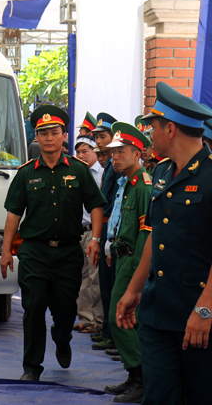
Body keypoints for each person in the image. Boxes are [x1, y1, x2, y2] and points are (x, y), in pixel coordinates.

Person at [117, 82, 212, 405]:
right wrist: (133, 291)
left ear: (170, 129)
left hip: (198, 310)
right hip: (158, 309)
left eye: (152, 127)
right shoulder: (162, 172)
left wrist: (205, 307)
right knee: (158, 397)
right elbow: (156, 234)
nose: (149, 136)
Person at [0, 105, 106, 381]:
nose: (49, 138)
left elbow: (96, 206)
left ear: (63, 136)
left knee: (65, 307)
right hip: (34, 251)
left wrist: (95, 238)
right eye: (43, 133)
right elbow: (13, 212)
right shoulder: (25, 173)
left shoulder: (79, 171)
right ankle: (31, 367)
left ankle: (62, 337)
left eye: (54, 132)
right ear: (36, 137)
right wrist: (5, 250)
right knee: (33, 307)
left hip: (69, 251)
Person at [97, 121, 153, 402]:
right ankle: (134, 375)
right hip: (121, 256)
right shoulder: (126, 184)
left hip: (133, 261)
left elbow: (147, 232)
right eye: (114, 152)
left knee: (120, 318)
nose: (115, 156)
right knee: (122, 318)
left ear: (138, 153)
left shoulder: (142, 186)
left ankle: (141, 377)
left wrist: (136, 270)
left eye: (122, 151)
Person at [91, 112, 119, 351]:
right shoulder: (108, 165)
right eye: (96, 137)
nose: (98, 141)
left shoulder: (117, 166)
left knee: (112, 284)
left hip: (113, 228)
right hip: (106, 227)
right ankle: (108, 331)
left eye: (102, 136)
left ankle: (114, 336)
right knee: (105, 284)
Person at [73, 136, 104, 334]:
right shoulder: (76, 173)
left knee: (95, 277)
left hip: (94, 231)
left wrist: (97, 237)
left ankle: (98, 321)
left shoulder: (102, 173)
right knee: (81, 277)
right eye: (78, 152)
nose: (82, 155)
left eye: (86, 151)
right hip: (79, 231)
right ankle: (85, 318)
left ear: (94, 151)